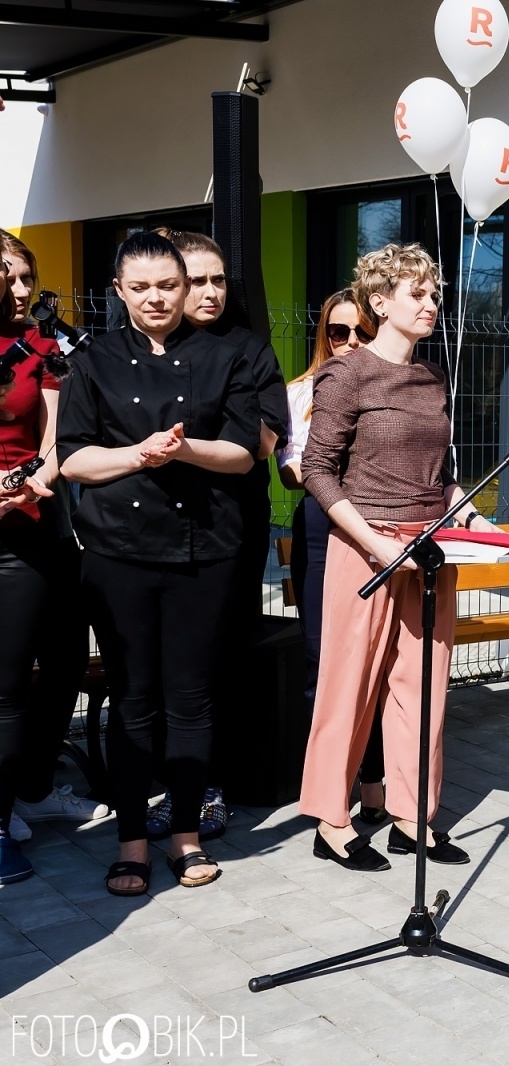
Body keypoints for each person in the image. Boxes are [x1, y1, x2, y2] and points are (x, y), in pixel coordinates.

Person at [57, 231, 260, 896]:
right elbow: (74, 458)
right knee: (133, 699)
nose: (156, 298)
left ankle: (185, 836)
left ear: (185, 286)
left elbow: (243, 453)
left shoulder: (226, 355)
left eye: (168, 285)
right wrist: (138, 456)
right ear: (118, 291)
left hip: (206, 551)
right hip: (118, 554)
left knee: (191, 699)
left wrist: (184, 450)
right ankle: (131, 844)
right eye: (140, 287)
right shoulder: (93, 360)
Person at [298, 242, 489, 872]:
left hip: (430, 548)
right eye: (418, 293)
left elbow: (440, 476)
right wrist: (375, 543)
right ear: (380, 303)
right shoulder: (346, 375)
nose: (432, 303)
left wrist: (472, 518)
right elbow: (317, 470)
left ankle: (413, 818)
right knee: (348, 685)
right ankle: (331, 819)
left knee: (423, 685)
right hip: (367, 546)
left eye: (435, 293)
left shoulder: (433, 377)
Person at [141, 229, 287, 843]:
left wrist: (182, 443)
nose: (210, 291)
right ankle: (159, 784)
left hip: (229, 528)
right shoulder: (140, 350)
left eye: (218, 279)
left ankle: (210, 788)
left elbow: (263, 441)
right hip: (151, 530)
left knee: (215, 662)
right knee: (156, 665)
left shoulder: (248, 349)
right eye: (196, 280)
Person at [0, 234, 99, 884]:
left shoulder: (42, 345)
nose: (20, 290)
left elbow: (57, 433)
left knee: (64, 662)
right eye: (8, 277)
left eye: (26, 277)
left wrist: (38, 474)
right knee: (7, 687)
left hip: (41, 524)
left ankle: (32, 788)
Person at [277, 289, 387, 824]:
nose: (349, 342)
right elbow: (290, 467)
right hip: (323, 527)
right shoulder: (302, 391)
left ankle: (374, 780)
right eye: (338, 332)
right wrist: (321, 470)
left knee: (377, 664)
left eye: (361, 331)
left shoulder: (392, 385)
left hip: (381, 524)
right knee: (321, 661)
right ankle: (328, 788)